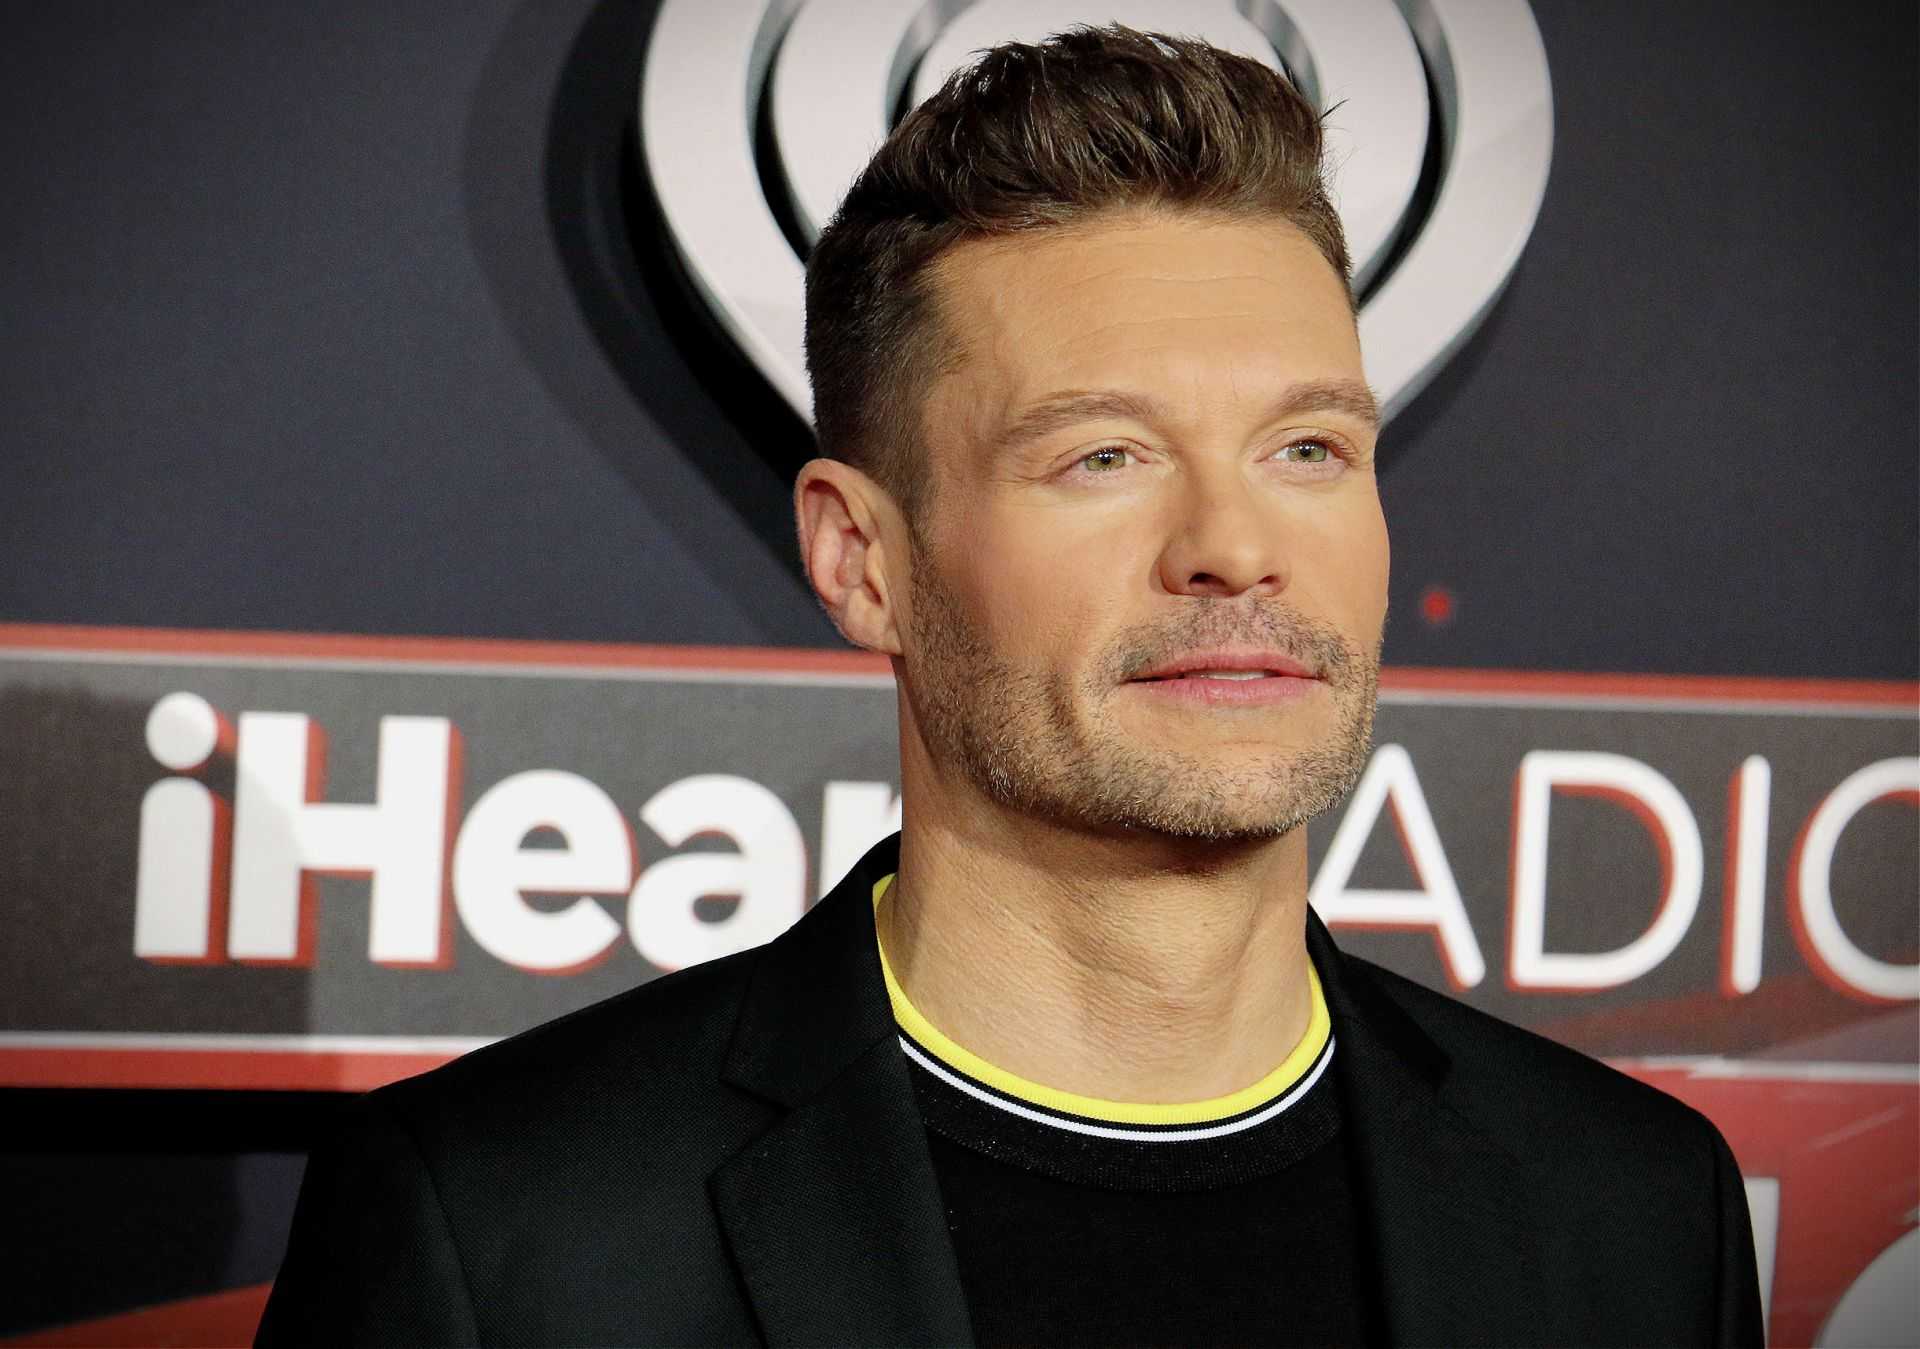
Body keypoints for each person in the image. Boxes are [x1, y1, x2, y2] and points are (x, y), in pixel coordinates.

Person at [258, 25, 1763, 1347]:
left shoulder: (1630, 1212)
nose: (1234, 549)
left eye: (1308, 448)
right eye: (1101, 456)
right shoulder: (509, 1234)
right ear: (863, 558)